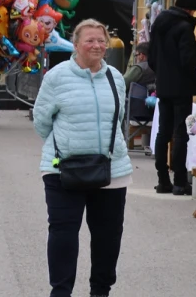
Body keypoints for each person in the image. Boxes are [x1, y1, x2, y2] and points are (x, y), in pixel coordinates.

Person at [33, 19, 132, 297]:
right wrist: (67, 144)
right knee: (63, 234)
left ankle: (100, 292)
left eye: (101, 40)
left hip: (111, 169)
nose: (97, 46)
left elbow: (118, 118)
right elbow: (42, 121)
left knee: (108, 238)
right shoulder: (56, 77)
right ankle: (60, 292)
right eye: (90, 40)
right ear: (75, 45)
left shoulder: (115, 77)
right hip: (62, 168)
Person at [147, 0, 196, 194]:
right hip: (181, 87)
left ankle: (163, 180)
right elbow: (189, 60)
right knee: (180, 133)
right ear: (188, 9)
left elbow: (151, 57)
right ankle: (179, 181)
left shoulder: (159, 24)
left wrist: (162, 74)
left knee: (163, 132)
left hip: (163, 86)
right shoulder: (184, 27)